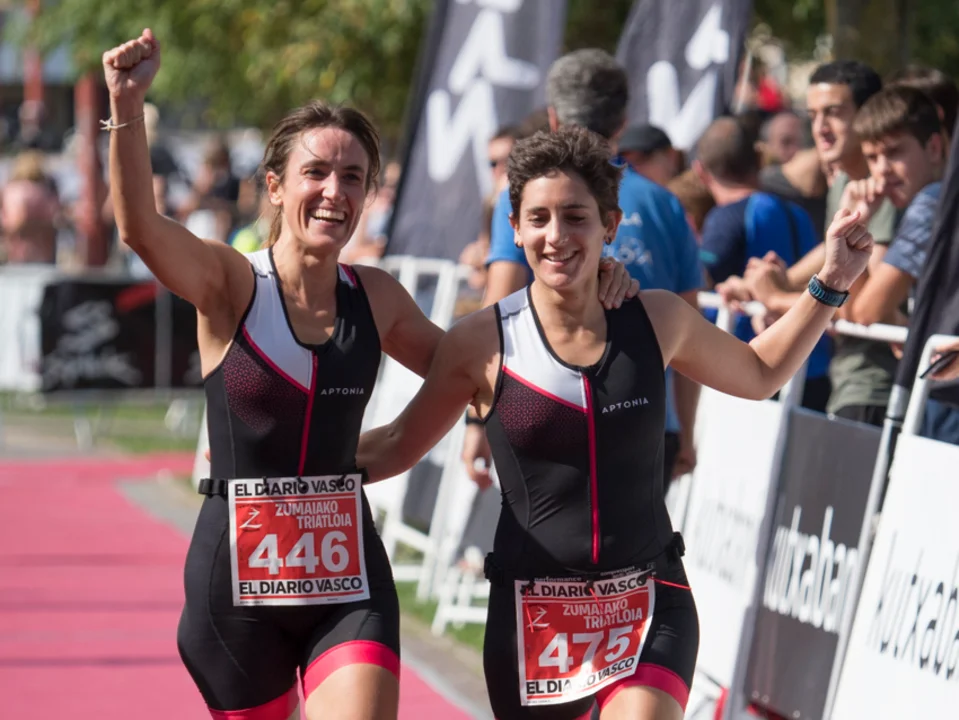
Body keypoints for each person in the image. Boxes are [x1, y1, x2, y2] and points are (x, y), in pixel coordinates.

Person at [102, 30, 638, 720]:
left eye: (353, 177)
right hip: (235, 586)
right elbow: (141, 229)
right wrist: (127, 106)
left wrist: (587, 281)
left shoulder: (376, 296)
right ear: (275, 187)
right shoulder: (230, 283)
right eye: (316, 173)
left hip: (346, 577)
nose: (335, 192)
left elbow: (485, 369)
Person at [356, 126, 874, 720]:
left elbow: (759, 373)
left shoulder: (656, 318)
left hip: (650, 605)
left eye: (576, 217)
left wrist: (832, 282)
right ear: (516, 227)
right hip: (534, 621)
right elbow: (397, 443)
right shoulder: (480, 342)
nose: (556, 236)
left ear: (610, 225)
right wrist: (282, 469)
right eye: (539, 218)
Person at [470, 49, 704, 490]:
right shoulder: (666, 204)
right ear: (622, 123)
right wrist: (686, 432)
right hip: (650, 422)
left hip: (544, 409)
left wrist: (477, 420)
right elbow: (692, 330)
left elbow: (497, 306)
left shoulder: (526, 195)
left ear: (553, 117)